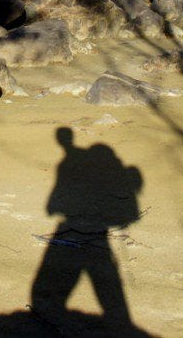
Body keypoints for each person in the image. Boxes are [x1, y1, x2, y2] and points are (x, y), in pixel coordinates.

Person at [30, 127, 143, 328]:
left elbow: (57, 194)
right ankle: (119, 322)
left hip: (75, 226)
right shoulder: (87, 164)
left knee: (61, 274)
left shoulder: (67, 163)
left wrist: (52, 206)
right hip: (98, 231)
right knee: (106, 281)